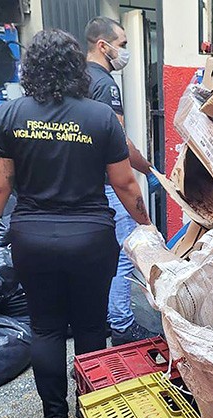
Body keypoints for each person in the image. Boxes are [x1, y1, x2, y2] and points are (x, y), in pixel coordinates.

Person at [0, 29, 151, 418]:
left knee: (45, 328)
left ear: (32, 68)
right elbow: (126, 185)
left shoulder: (9, 115)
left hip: (32, 240)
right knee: (92, 326)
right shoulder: (99, 117)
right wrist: (147, 226)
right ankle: (92, 411)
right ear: (76, 66)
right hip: (91, 240)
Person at [85, 16, 160, 347]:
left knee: (98, 258)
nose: (125, 53)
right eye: (123, 45)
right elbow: (119, 143)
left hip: (84, 187)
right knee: (124, 254)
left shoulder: (75, 79)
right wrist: (148, 168)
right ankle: (122, 324)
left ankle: (103, 317)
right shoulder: (104, 84)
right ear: (104, 46)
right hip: (108, 185)